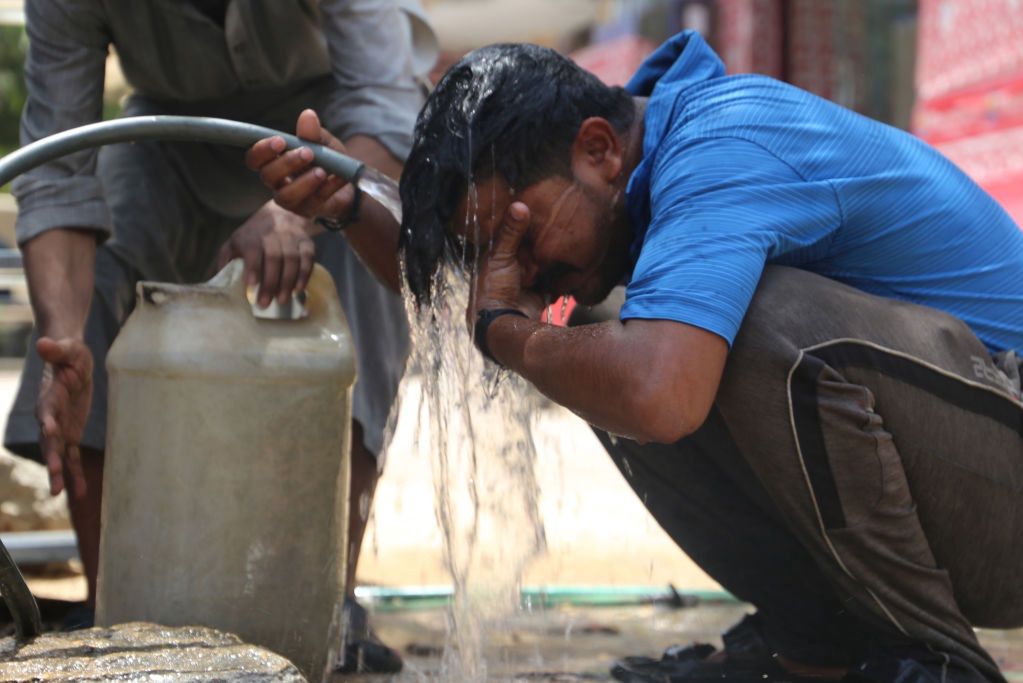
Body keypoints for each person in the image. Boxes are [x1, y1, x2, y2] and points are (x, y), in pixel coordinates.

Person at [248, 30, 1023, 683]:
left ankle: (932, 660)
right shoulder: (622, 163)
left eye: (522, 233)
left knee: (715, 339)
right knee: (596, 356)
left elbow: (658, 393)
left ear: (598, 148)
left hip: (1003, 493)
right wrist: (349, 209)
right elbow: (466, 304)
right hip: (968, 485)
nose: (523, 269)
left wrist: (512, 332)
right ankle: (814, 645)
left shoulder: (723, 145)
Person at [7, 0, 435, 672]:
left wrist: (302, 212)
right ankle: (114, 610)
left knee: (369, 248)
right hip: (170, 134)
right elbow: (58, 170)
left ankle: (331, 604)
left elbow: (384, 109)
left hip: (332, 127)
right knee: (95, 274)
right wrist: (68, 335)